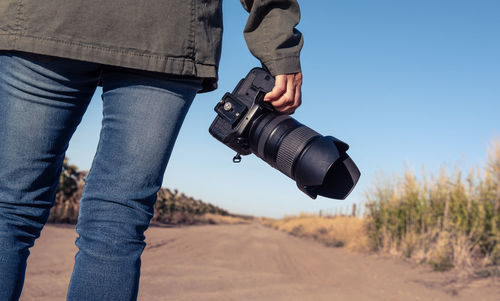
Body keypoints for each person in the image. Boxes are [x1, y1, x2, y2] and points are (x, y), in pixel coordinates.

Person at [0, 1, 303, 300]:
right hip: (165, 33)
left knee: (10, 206)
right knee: (116, 222)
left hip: (48, 18)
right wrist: (280, 50)